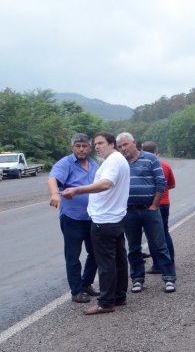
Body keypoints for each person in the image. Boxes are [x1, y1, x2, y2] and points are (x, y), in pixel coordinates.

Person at [61, 132, 130, 315]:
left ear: (112, 144)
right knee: (119, 259)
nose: (97, 146)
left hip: (105, 220)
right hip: (114, 217)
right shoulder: (117, 159)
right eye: (96, 144)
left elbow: (105, 184)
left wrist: (77, 190)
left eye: (100, 143)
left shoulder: (113, 161)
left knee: (106, 263)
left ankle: (106, 302)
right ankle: (119, 296)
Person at [116, 133, 176, 294]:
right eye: (120, 146)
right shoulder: (120, 162)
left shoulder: (150, 158)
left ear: (134, 143)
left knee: (159, 244)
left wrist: (155, 205)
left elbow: (161, 182)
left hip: (149, 209)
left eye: (125, 144)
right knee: (134, 247)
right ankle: (137, 279)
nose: (123, 148)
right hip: (129, 211)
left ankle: (169, 278)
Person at [48, 133, 100, 303]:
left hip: (92, 216)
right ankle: (76, 291)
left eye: (85, 146)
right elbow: (53, 178)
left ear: (90, 148)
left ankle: (86, 284)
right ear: (72, 148)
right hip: (72, 218)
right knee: (73, 255)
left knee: (95, 253)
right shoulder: (66, 163)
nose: (81, 149)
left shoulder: (94, 165)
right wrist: (55, 193)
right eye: (78, 146)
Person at [141, 141, 176, 274]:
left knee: (151, 235)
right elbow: (172, 185)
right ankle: (170, 260)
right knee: (165, 233)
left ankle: (157, 265)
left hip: (150, 205)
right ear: (156, 152)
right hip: (164, 203)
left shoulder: (141, 165)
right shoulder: (165, 165)